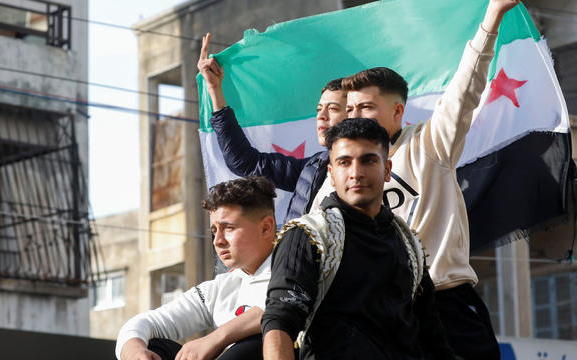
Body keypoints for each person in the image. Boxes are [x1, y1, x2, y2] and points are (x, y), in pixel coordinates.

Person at [334, 1, 521, 358]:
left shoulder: (427, 145)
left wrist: (492, 18)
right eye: (351, 109)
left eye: (366, 107)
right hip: (383, 314)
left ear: (397, 111)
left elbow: (465, 91)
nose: (355, 116)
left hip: (445, 300)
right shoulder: (339, 175)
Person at [261, 118, 455, 360]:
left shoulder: (409, 244)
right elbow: (279, 323)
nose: (356, 173)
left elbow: (432, 338)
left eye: (368, 160)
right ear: (331, 174)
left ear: (387, 170)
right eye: (344, 162)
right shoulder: (308, 235)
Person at [115, 176, 277, 360]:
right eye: (214, 231)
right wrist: (134, 351)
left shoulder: (296, 272)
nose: (218, 241)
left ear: (266, 227)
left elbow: (281, 306)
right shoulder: (221, 287)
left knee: (257, 341)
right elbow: (143, 323)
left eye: (229, 228)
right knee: (151, 345)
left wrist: (217, 339)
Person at [197, 35, 347, 223]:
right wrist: (215, 90)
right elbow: (244, 162)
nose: (321, 116)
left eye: (332, 108)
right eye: (319, 109)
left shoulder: (382, 165)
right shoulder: (313, 169)